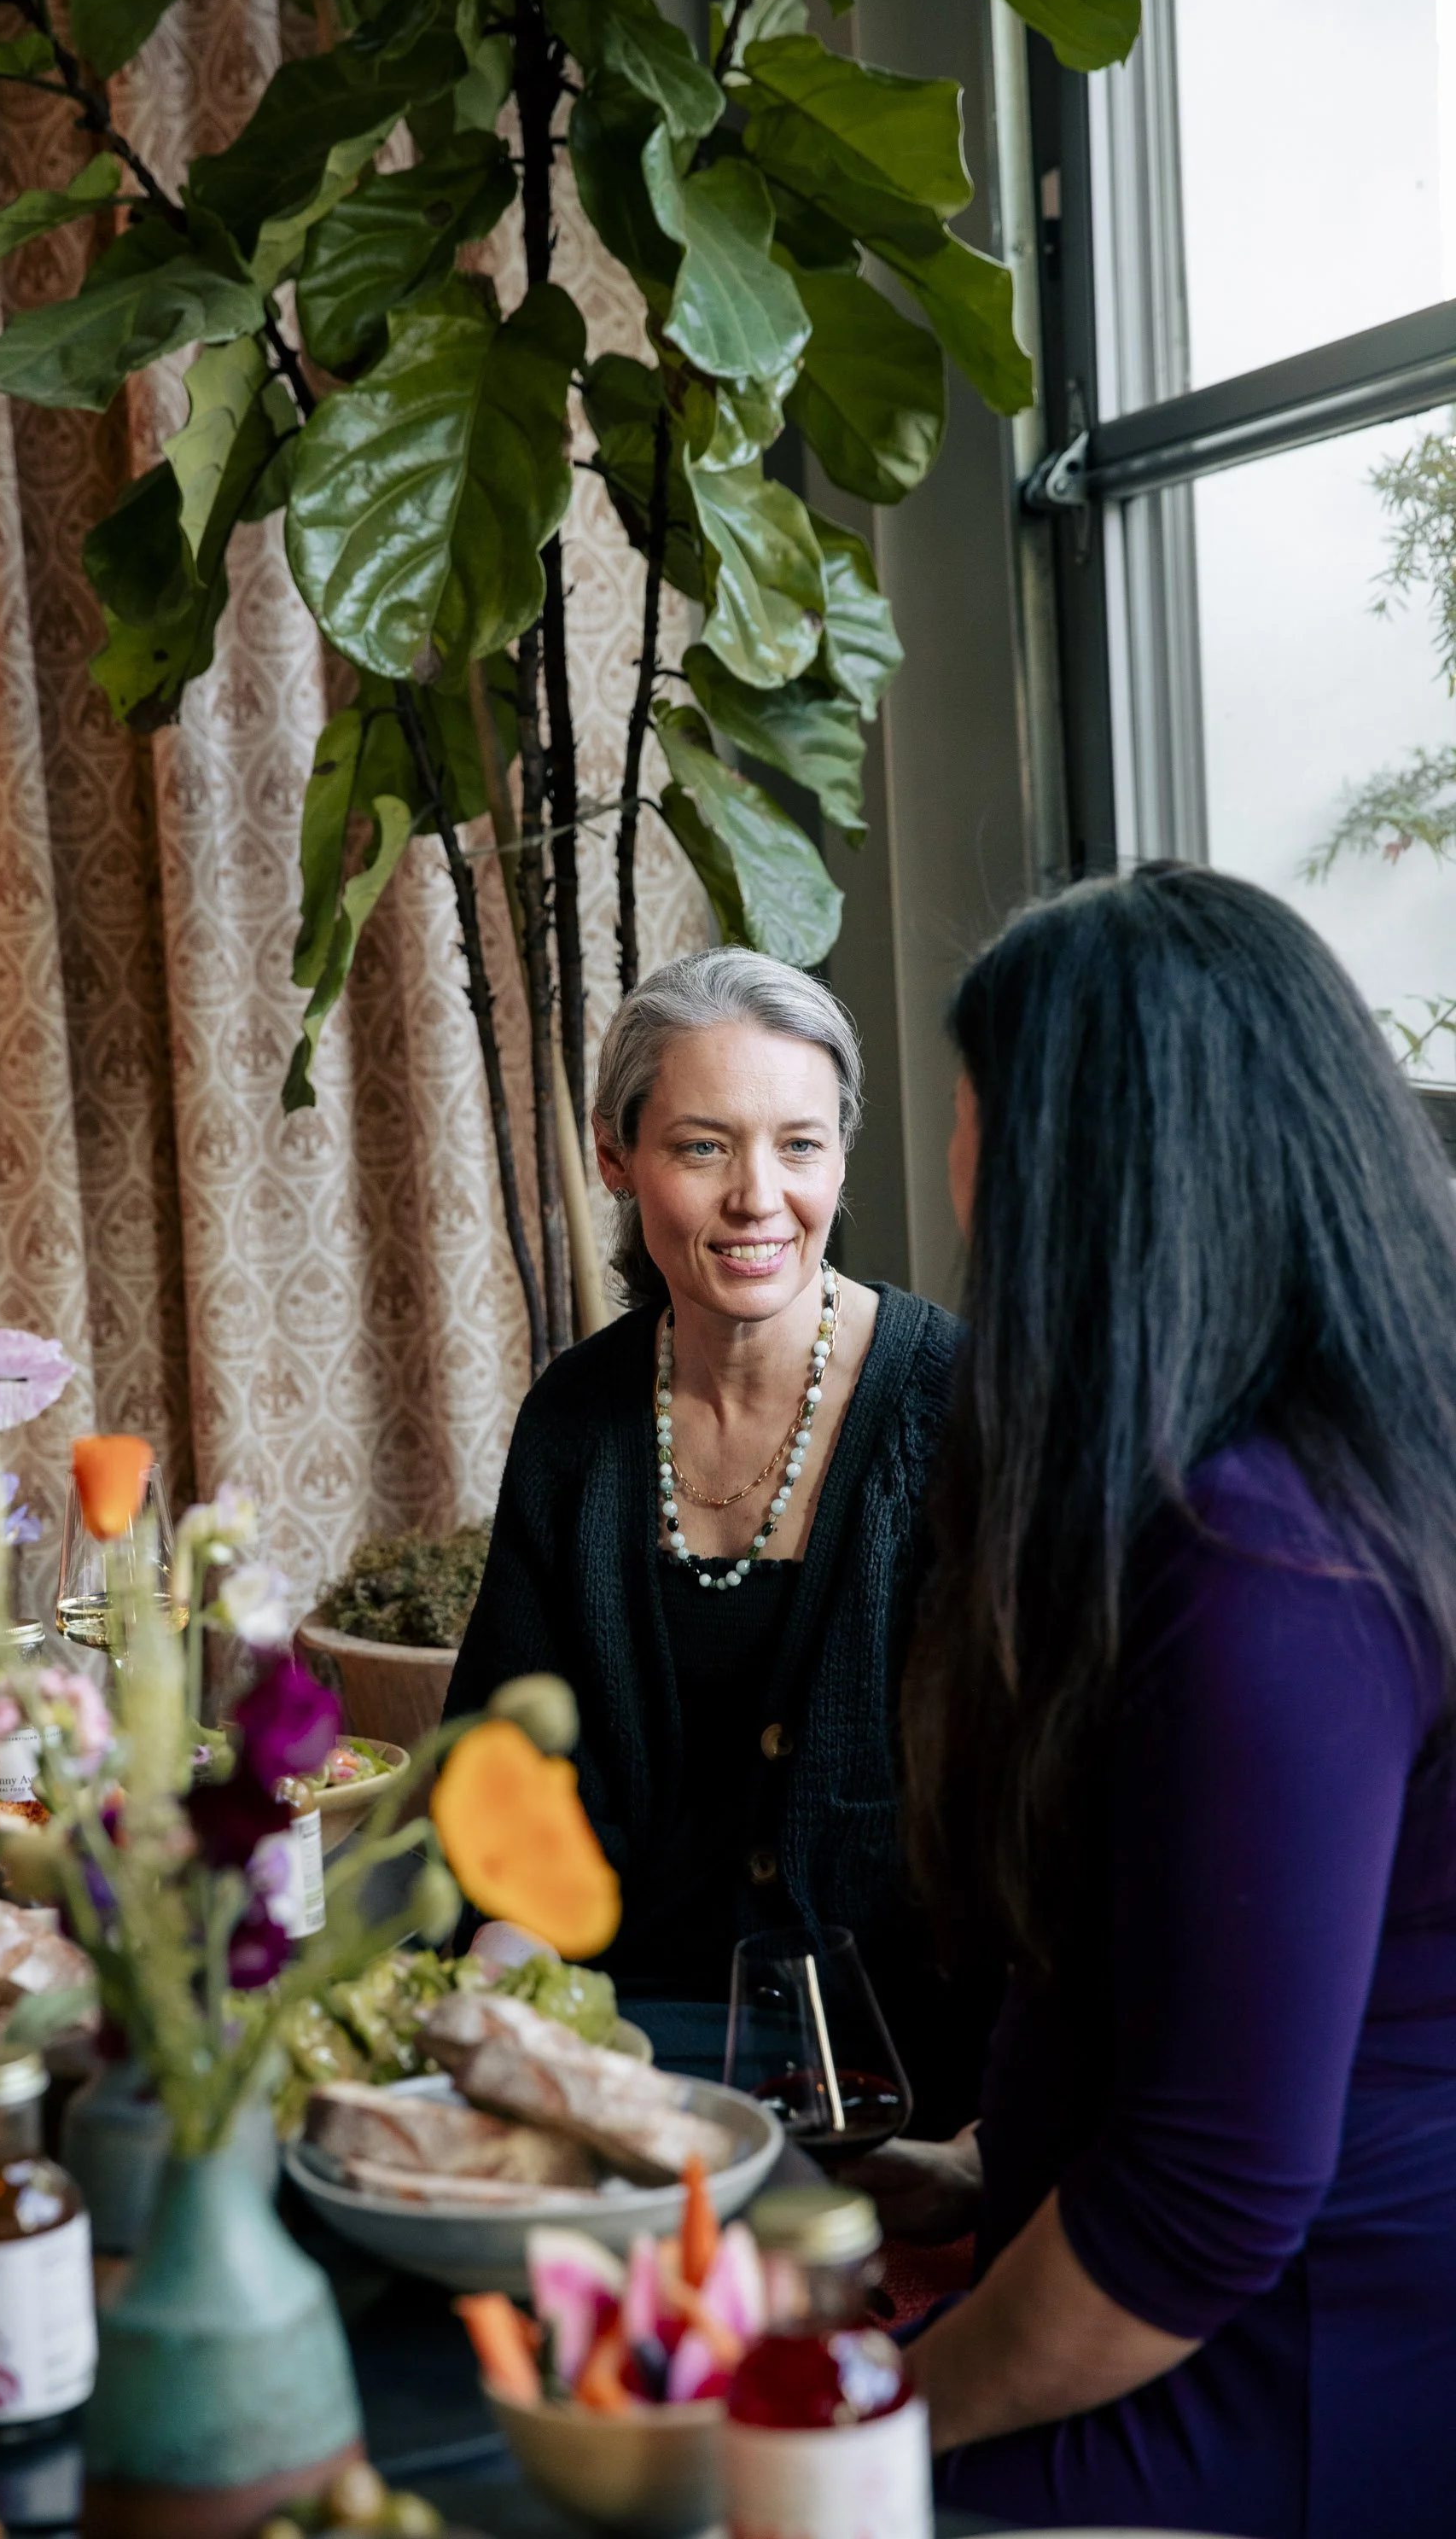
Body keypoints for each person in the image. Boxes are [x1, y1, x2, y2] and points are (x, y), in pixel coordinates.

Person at [860, 865, 1456, 2536]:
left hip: (1291, 2363)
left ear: (1079, 1172)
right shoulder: (1284, 1481)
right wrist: (978, 2165)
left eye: (969, 1111)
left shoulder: (1274, 1570)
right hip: (1200, 2293)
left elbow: (1207, 2204)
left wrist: (877, 2413)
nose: (955, 1166)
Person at [446, 949, 993, 2133]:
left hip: (891, 2054)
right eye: (703, 1146)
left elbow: (1023, 1805)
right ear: (616, 1156)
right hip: (617, 2030)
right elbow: (515, 1786)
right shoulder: (577, 1422)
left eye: (800, 1145)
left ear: (839, 1156)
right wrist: (482, 2021)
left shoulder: (954, 1404)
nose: (758, 1196)